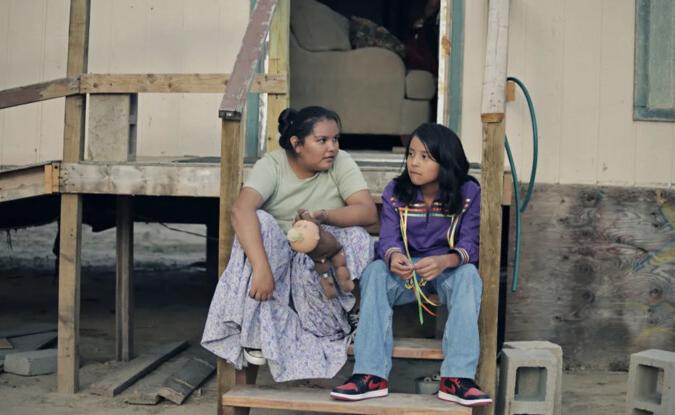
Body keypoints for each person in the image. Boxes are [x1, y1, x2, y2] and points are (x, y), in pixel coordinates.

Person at [201, 106, 378, 382]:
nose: (332, 147)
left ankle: (349, 316)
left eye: (335, 139)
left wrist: (322, 216)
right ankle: (255, 330)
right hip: (277, 264)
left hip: (317, 266)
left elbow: (367, 212)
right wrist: (261, 268)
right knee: (259, 221)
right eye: (322, 140)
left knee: (357, 236)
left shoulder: (340, 161)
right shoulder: (272, 165)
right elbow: (241, 210)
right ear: (296, 144)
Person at [330, 123, 492, 407]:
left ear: (446, 161)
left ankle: (457, 379)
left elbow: (470, 244)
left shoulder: (468, 192)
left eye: (425, 157)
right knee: (376, 271)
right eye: (411, 154)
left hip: (448, 268)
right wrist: (394, 258)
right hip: (407, 272)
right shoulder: (398, 190)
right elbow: (388, 237)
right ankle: (370, 375)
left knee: (469, 276)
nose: (414, 163)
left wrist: (446, 260)